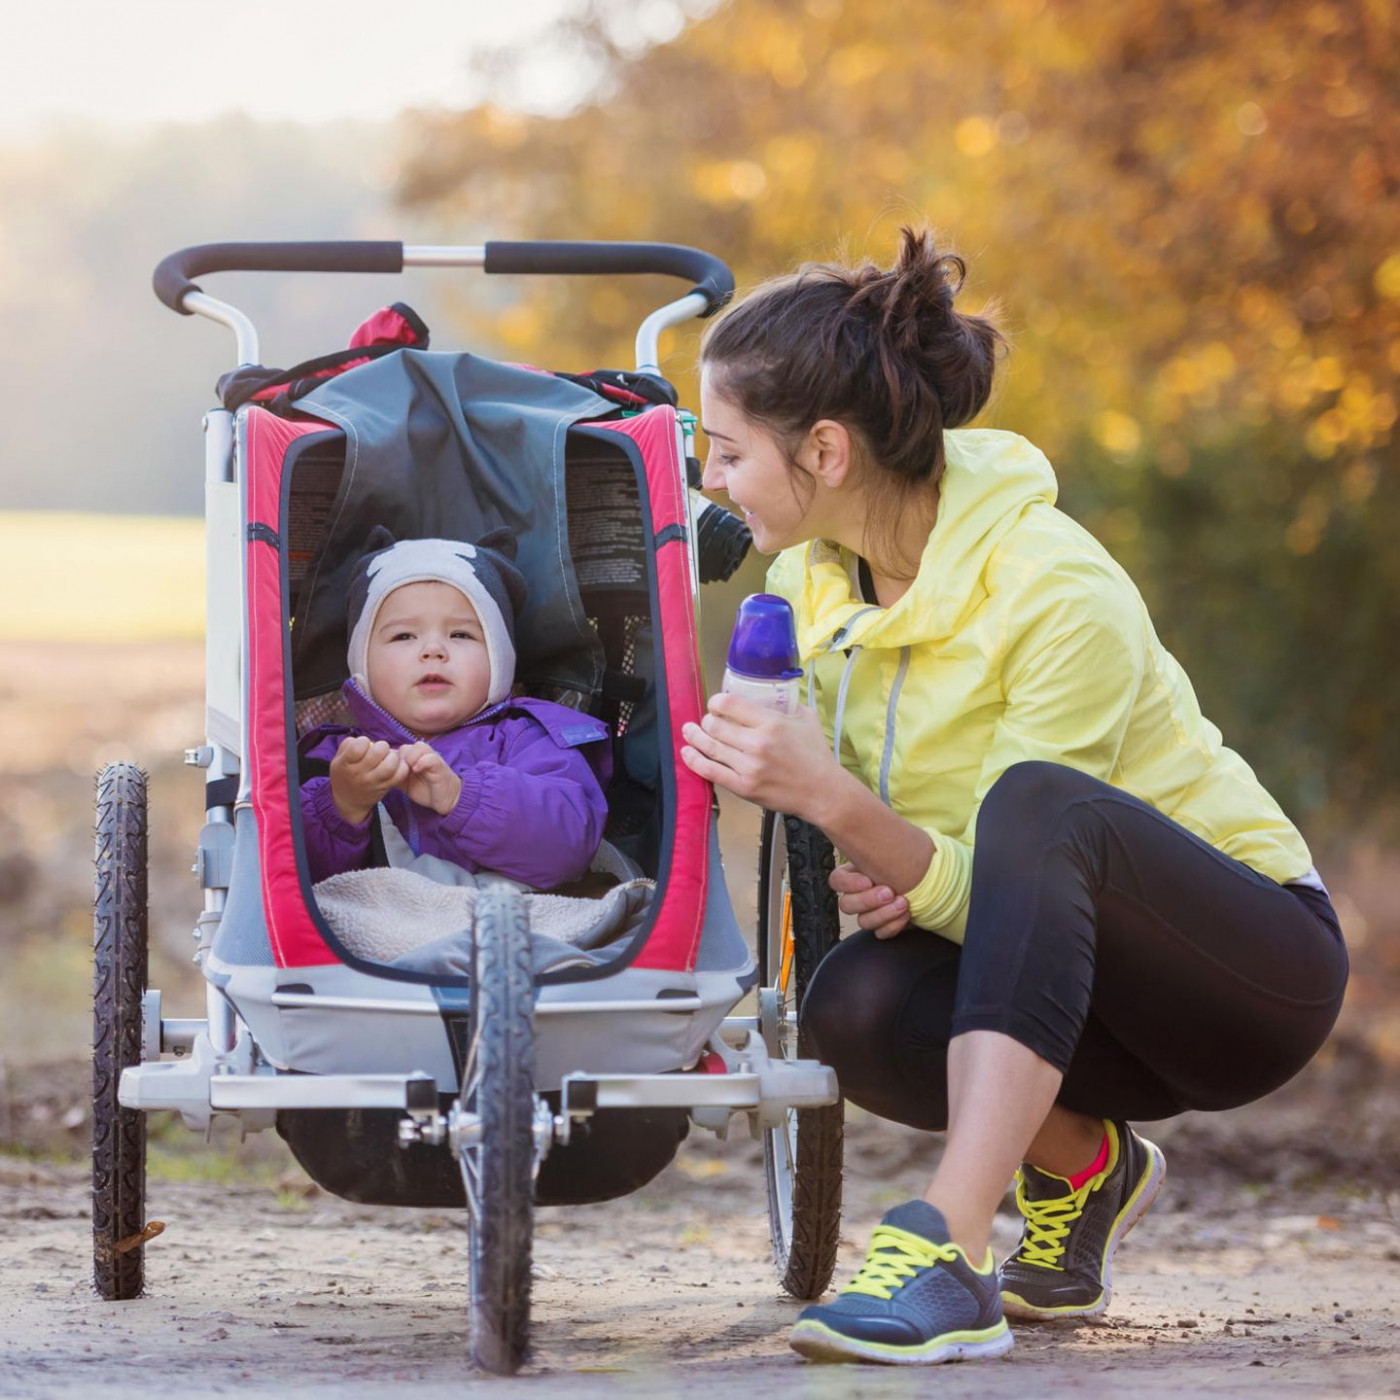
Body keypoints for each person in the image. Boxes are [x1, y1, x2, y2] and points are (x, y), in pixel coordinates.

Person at [679, 228, 1347, 1366]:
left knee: (1043, 804)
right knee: (850, 1006)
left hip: (1244, 972)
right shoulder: (807, 584)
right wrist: (886, 855)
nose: (710, 480)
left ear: (826, 452)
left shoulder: (1053, 586)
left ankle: (946, 1242)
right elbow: (963, 878)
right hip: (1064, 990)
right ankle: (1085, 1164)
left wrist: (846, 808)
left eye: (727, 451)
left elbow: (1028, 841)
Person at [299, 529, 610, 890]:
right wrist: (342, 806)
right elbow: (293, 882)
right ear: (362, 666)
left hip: (505, 929)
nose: (433, 650)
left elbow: (570, 849)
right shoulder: (335, 759)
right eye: (404, 636)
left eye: (460, 635)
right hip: (375, 934)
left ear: (498, 660)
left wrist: (463, 797)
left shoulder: (529, 739)